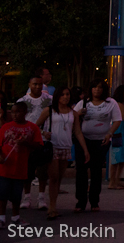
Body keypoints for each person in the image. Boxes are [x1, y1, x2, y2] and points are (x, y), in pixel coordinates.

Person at [35, 87, 88, 220]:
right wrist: (44, 133)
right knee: (53, 176)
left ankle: (54, 203)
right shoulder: (49, 111)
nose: (65, 97)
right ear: (57, 96)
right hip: (52, 146)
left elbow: (77, 132)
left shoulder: (73, 113)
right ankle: (52, 207)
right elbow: (36, 126)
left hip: (66, 146)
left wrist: (85, 149)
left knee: (58, 178)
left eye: (67, 94)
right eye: (63, 94)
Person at [72, 78, 122, 212]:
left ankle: (94, 200)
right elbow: (72, 117)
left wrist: (110, 133)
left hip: (101, 140)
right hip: (83, 140)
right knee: (81, 170)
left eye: (100, 87)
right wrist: (79, 113)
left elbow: (117, 120)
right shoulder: (83, 103)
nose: (97, 90)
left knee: (96, 170)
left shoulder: (111, 103)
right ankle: (80, 201)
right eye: (94, 87)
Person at [0, 102, 43, 229]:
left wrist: (26, 143)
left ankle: (15, 217)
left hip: (20, 167)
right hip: (4, 167)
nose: (15, 115)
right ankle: (1, 218)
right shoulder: (6, 127)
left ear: (25, 112)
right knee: (2, 193)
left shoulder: (32, 128)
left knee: (16, 195)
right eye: (12, 112)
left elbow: (38, 145)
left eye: (18, 112)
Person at [16, 73, 52, 210]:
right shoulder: (22, 101)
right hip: (27, 140)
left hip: (43, 140)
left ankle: (41, 198)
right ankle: (27, 197)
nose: (37, 87)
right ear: (29, 85)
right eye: (35, 84)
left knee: (42, 171)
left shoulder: (49, 100)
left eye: (40, 84)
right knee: (27, 171)